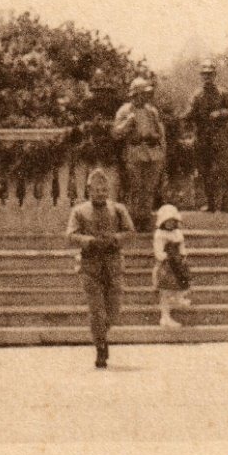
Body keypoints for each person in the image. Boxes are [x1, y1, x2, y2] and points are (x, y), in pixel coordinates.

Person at [67, 168, 134, 369]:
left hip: (113, 263)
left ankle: (100, 334)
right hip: (90, 265)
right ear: (89, 190)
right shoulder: (79, 211)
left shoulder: (118, 209)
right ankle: (101, 347)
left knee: (113, 310)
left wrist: (115, 239)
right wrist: (89, 241)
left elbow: (130, 232)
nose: (101, 193)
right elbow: (70, 235)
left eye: (104, 189)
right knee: (97, 311)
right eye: (96, 189)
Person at [184, 62, 228, 212]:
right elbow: (189, 114)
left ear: (215, 75)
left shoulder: (223, 93)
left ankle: (224, 202)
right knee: (204, 171)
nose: (207, 77)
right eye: (205, 74)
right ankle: (209, 203)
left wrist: (221, 113)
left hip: (220, 135)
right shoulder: (196, 95)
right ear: (201, 76)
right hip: (203, 135)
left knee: (224, 170)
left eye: (210, 74)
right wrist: (186, 117)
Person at [113, 77, 168, 231]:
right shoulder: (125, 110)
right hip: (134, 153)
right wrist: (127, 123)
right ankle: (132, 220)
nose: (145, 97)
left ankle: (145, 219)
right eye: (142, 94)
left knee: (149, 188)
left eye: (146, 94)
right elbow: (116, 132)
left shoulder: (151, 111)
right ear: (135, 94)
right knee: (135, 187)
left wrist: (159, 145)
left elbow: (160, 133)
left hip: (152, 153)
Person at [153, 204, 193, 328]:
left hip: (177, 264)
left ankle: (178, 299)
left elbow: (182, 247)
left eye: (172, 221)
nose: (170, 224)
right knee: (165, 290)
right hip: (167, 265)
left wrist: (182, 255)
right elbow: (158, 252)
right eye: (167, 221)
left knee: (181, 282)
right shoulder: (160, 234)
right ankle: (165, 317)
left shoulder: (177, 233)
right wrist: (166, 256)